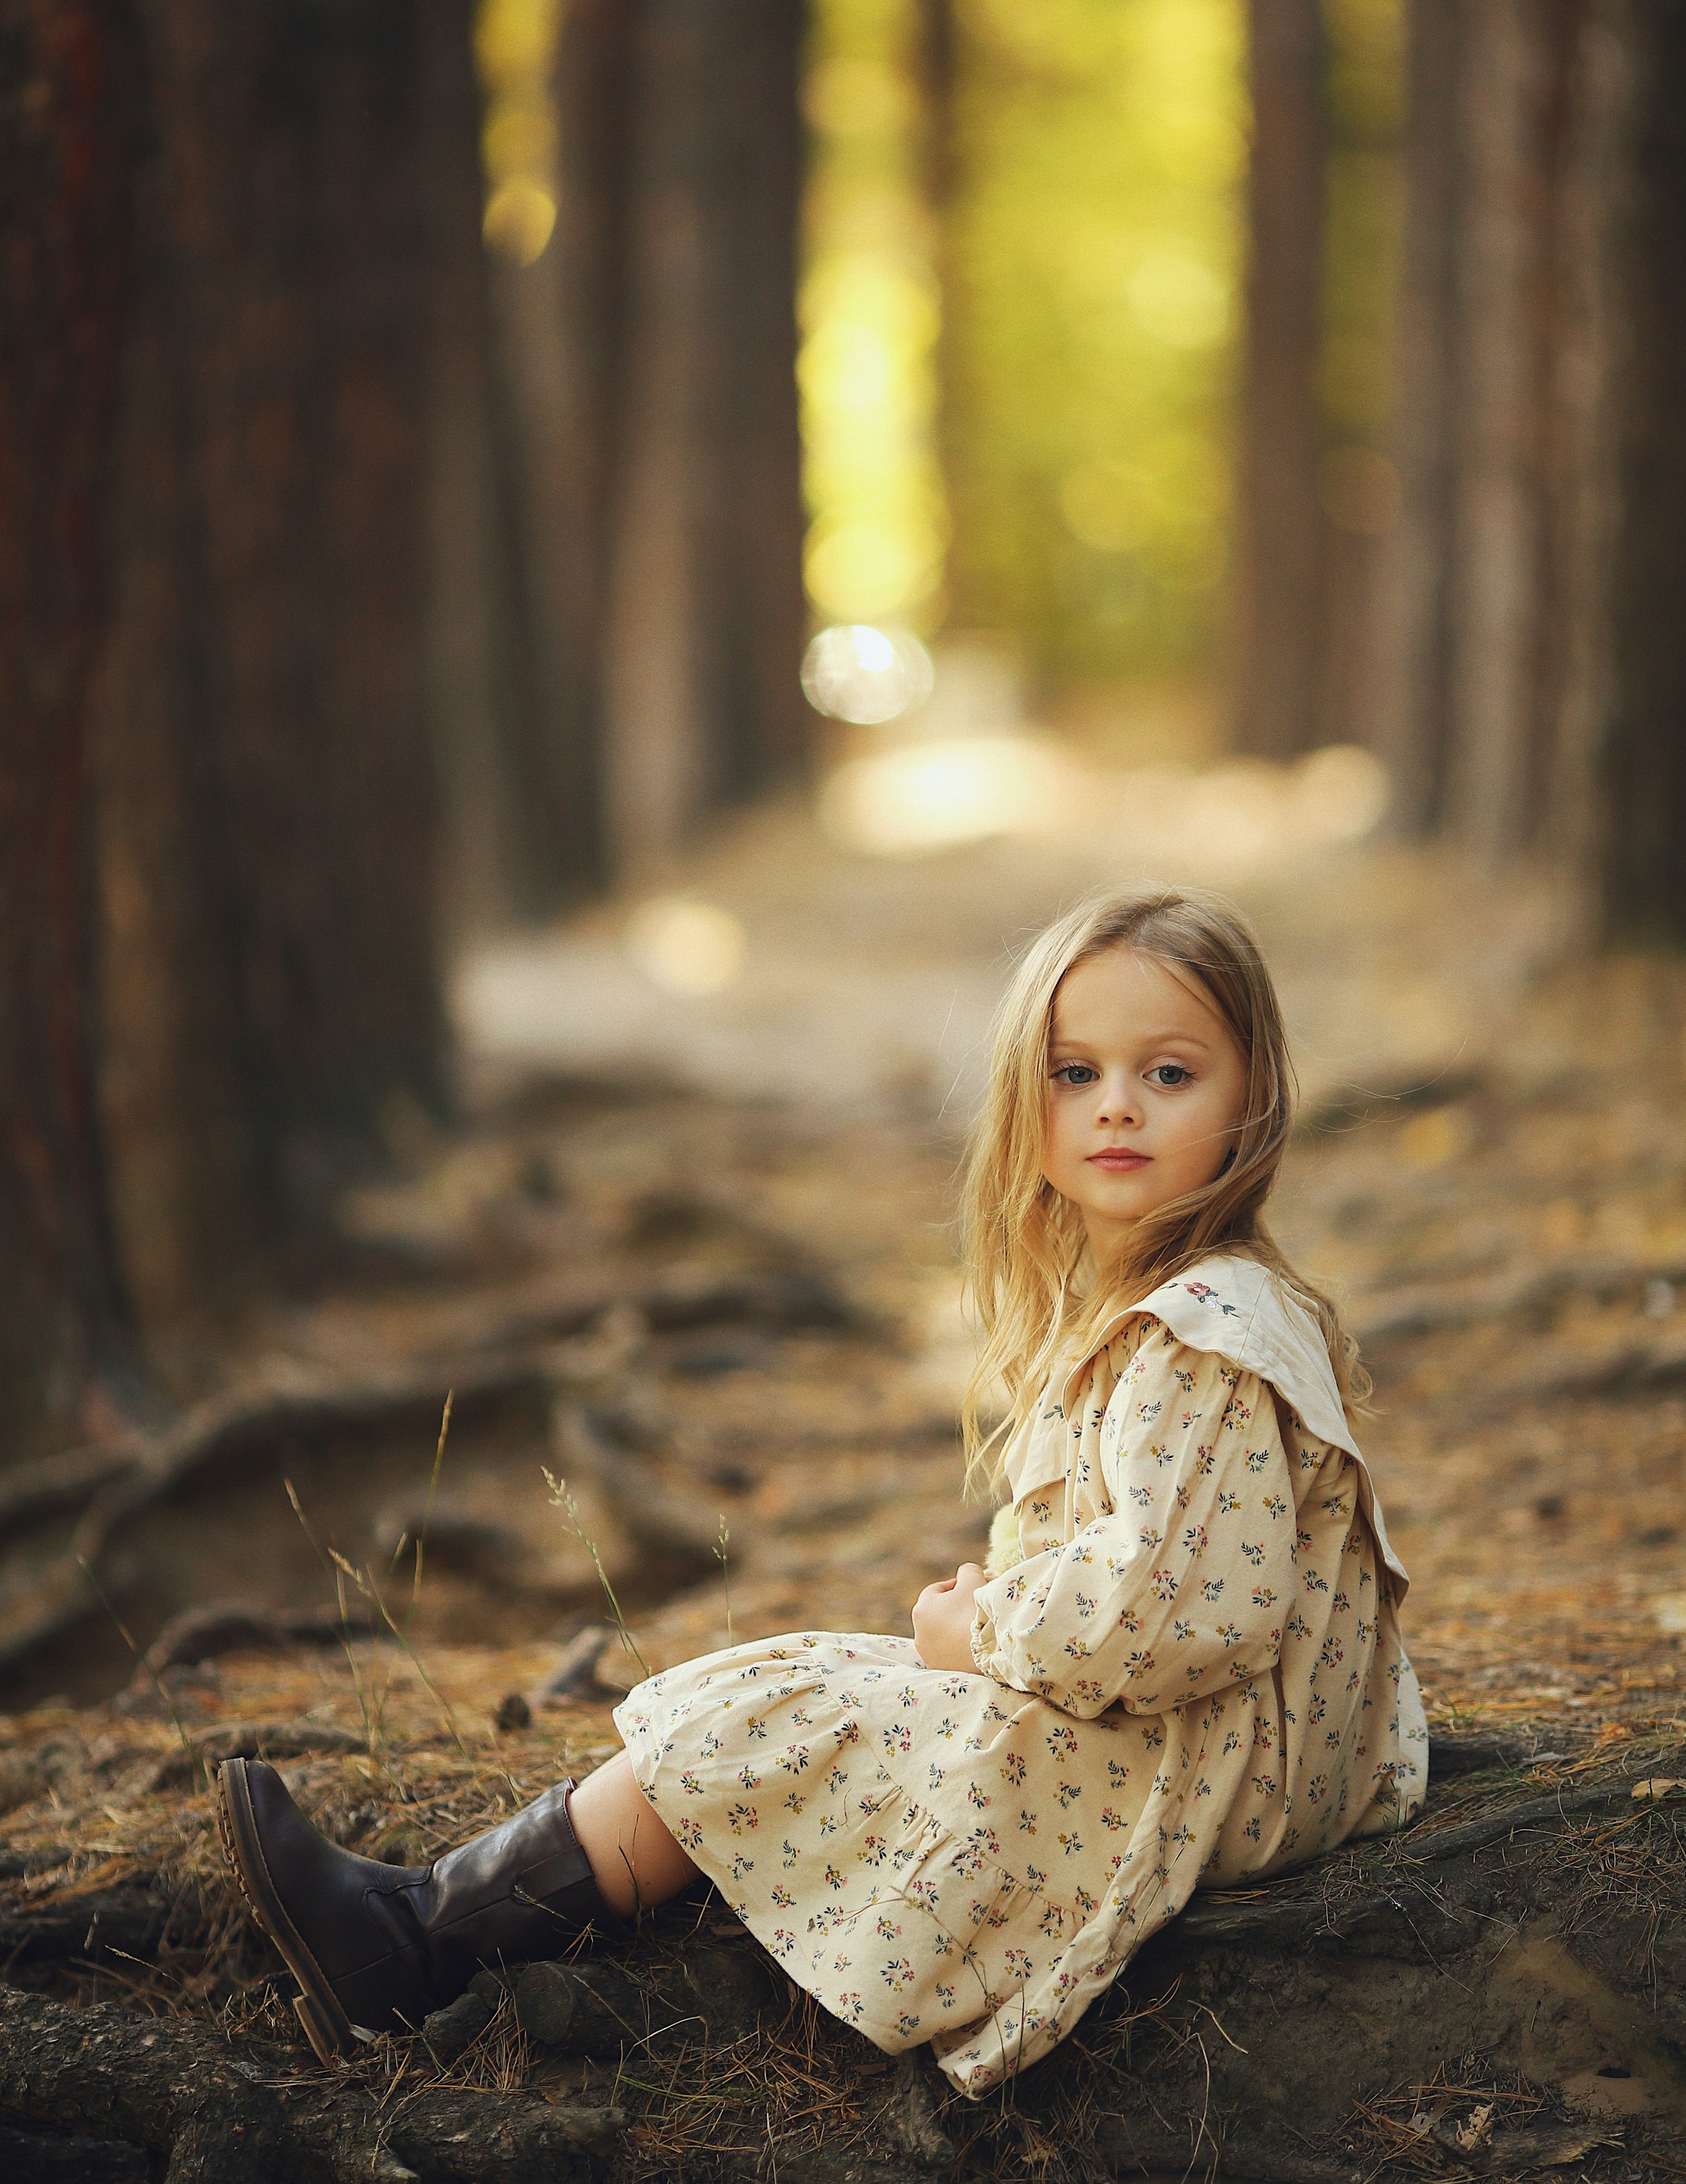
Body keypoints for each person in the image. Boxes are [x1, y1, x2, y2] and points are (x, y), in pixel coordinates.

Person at [219, 887, 1427, 2089]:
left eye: (1169, 1074)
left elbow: (1185, 1612)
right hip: (1225, 1745)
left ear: (1251, 1103)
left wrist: (985, 1628)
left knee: (785, 1722)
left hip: (1217, 1778)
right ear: (1028, 1099)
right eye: (1076, 1074)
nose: (1116, 1103)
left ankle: (416, 1943)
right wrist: (998, 1621)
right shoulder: (1175, 1312)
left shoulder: (1195, 1334)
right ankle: (424, 1921)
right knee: (791, 1677)